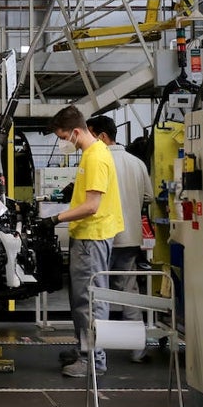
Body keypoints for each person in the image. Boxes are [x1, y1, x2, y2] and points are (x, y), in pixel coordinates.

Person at [48, 104, 124, 378]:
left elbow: (92, 206)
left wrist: (56, 219)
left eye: (62, 137)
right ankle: (84, 348)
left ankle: (94, 359)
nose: (62, 143)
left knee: (90, 301)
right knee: (80, 298)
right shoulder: (90, 154)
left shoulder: (94, 158)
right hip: (87, 235)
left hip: (93, 235)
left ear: (76, 131)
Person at [85, 115, 154, 363]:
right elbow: (148, 197)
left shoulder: (97, 160)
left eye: (89, 134)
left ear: (102, 136)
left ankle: (95, 352)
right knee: (128, 291)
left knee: (97, 292)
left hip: (102, 236)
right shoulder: (136, 163)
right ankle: (138, 351)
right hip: (130, 238)